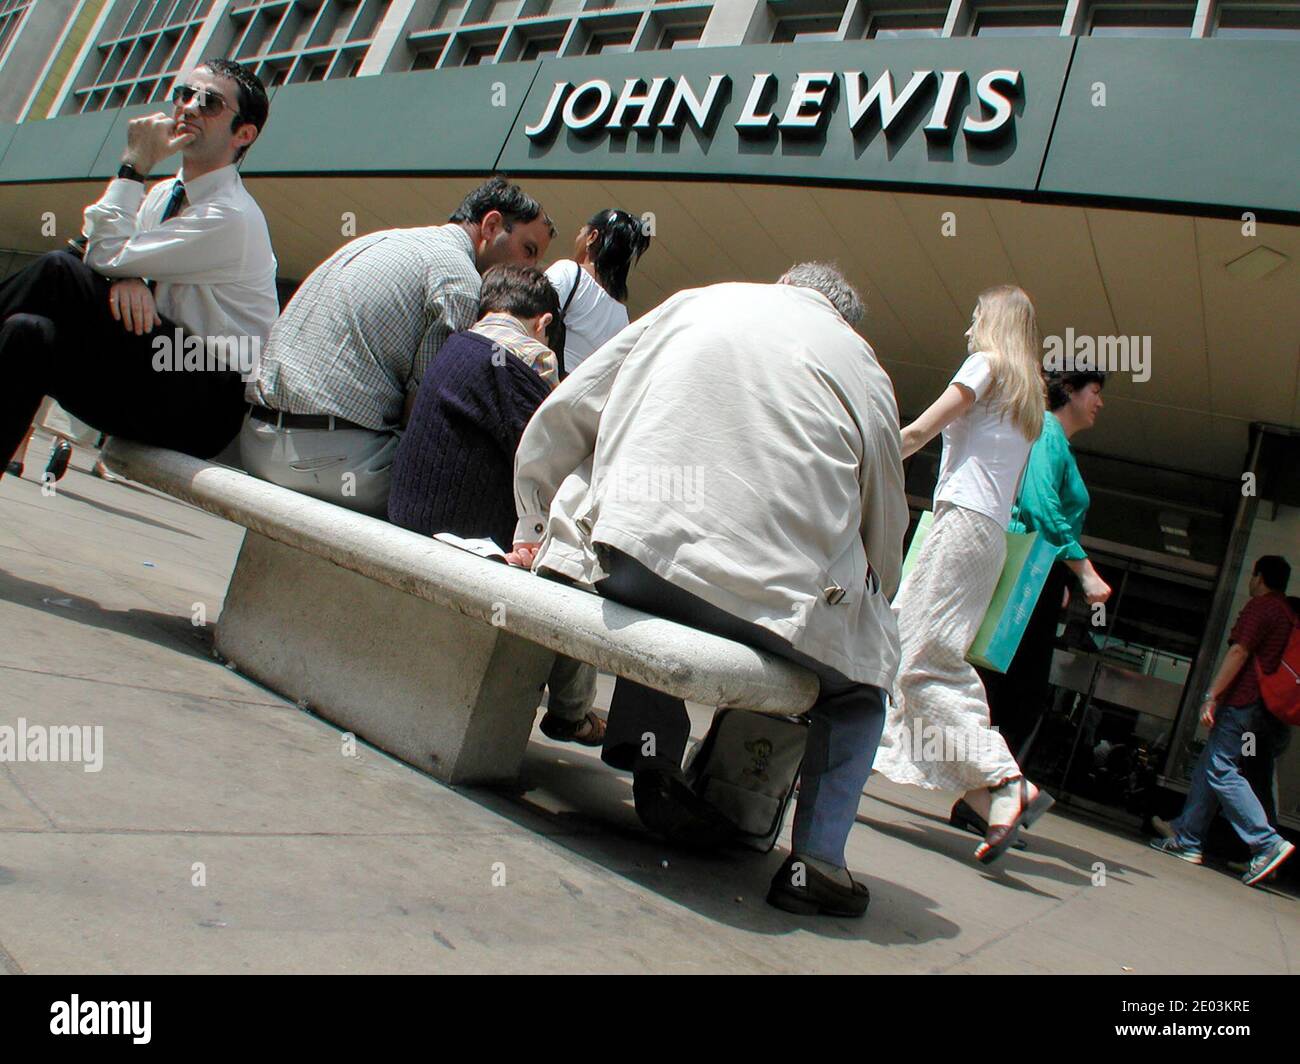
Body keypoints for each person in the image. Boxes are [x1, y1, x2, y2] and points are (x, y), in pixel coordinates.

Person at [511, 263, 908, 918]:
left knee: (665, 574)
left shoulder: (696, 301)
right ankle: (818, 864)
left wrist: (532, 517)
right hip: (776, 608)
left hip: (638, 562)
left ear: (780, 283)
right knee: (864, 692)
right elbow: (885, 527)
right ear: (843, 318)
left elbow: (569, 410)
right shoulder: (861, 364)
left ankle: (654, 758)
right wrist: (875, 600)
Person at [1, 59, 277, 474]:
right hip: (149, 370)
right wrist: (126, 273)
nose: (189, 107)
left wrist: (134, 164)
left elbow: (101, 254)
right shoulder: (165, 192)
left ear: (244, 134)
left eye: (210, 102)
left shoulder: (231, 214)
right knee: (28, 333)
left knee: (58, 271)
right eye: (183, 94)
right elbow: (106, 253)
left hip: (205, 393)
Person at [241, 176, 554, 517]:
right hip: (330, 462)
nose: (530, 269)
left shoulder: (386, 239)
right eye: (529, 250)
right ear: (491, 225)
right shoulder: (460, 282)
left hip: (256, 438)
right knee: (472, 482)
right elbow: (426, 418)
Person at [873, 285, 1054, 865]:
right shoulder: (1030, 397)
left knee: (921, 663)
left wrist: (864, 461)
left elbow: (921, 431)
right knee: (912, 657)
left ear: (993, 322)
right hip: (988, 539)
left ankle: (1003, 779)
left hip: (958, 528)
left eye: (975, 317)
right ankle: (985, 794)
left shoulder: (987, 365)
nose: (967, 330)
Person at [388, 266, 603, 745]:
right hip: (462, 540)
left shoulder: (456, 345)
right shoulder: (527, 356)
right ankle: (571, 713)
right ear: (543, 322)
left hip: (407, 517)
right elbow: (551, 464)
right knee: (578, 573)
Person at [950, 368, 1112, 837]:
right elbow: (1041, 505)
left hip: (1037, 575)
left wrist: (1061, 574)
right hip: (1025, 574)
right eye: (1095, 392)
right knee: (1012, 692)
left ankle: (985, 797)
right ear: (1071, 392)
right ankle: (991, 795)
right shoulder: (1046, 432)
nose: (1100, 403)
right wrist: (1083, 571)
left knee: (1009, 691)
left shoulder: (1055, 440)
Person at [1151, 555, 1297, 886]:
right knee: (1213, 764)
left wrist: (1211, 695)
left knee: (1221, 768)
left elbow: (1239, 652)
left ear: (1259, 577)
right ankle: (1187, 838)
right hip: (1266, 711)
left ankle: (1266, 843)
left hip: (1242, 701)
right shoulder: (1288, 614)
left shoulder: (1261, 607)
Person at [544, 209, 651, 376]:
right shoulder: (622, 317)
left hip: (548, 380)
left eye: (581, 232)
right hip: (577, 396)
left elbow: (533, 314)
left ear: (592, 237)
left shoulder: (569, 271)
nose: (577, 239)